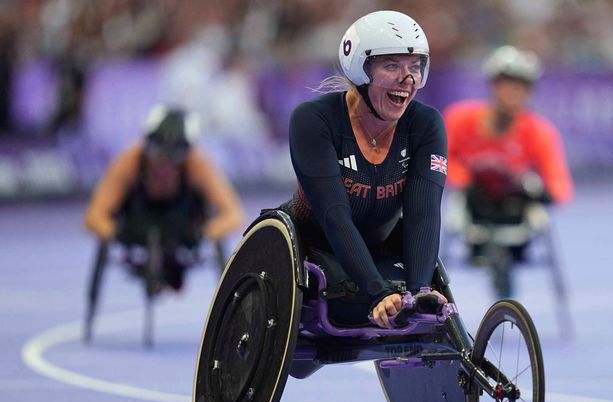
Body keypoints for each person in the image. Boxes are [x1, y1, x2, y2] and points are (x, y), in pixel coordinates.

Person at [278, 10, 448, 329]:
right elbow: (334, 215)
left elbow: (424, 214)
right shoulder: (313, 120)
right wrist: (376, 292)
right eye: (392, 65)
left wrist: (419, 292)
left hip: (380, 246)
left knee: (436, 305)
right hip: (312, 247)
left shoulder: (426, 124)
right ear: (360, 69)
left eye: (416, 67)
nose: (408, 79)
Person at [443, 45, 574, 294]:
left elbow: (560, 185)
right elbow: (440, 160)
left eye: (522, 86)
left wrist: (539, 190)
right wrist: (467, 180)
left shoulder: (540, 132)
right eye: (508, 84)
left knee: (536, 212)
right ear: (493, 86)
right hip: (473, 209)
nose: (514, 92)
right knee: (453, 208)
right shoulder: (460, 119)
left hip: (516, 214)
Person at [83, 105, 245, 291]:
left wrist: (204, 233)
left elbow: (234, 215)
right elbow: (93, 217)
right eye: (158, 154)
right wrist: (118, 233)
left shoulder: (197, 164)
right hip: (137, 223)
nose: (164, 165)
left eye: (173, 158)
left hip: (183, 225)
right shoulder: (129, 160)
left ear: (186, 152)